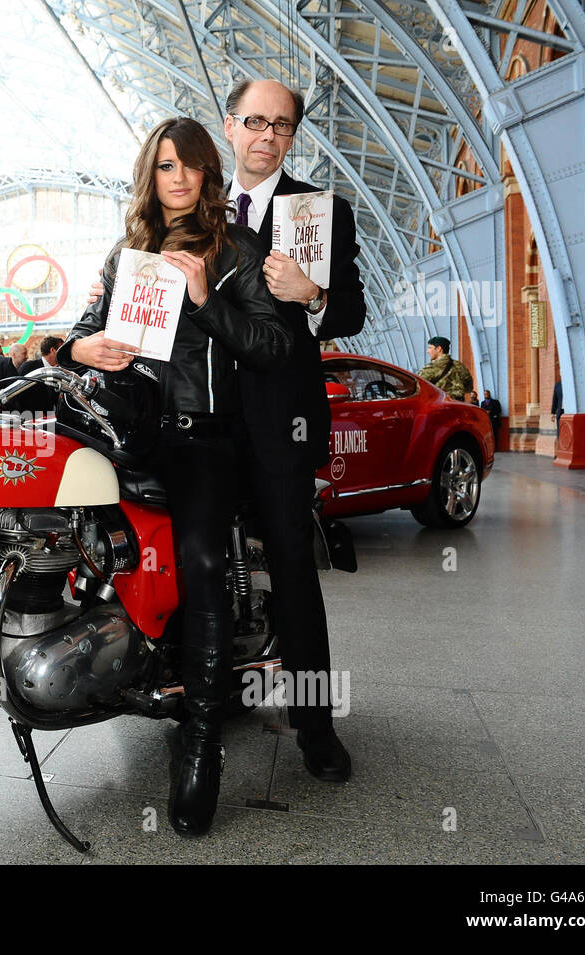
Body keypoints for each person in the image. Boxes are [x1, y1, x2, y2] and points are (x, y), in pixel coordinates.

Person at [58, 116, 290, 836]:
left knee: (201, 563)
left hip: (203, 438)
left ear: (207, 171)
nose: (178, 177)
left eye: (189, 164)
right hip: (128, 431)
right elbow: (83, 329)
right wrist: (78, 347)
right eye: (164, 166)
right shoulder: (126, 251)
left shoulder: (238, 249)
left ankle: (200, 742)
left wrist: (206, 303)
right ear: (149, 176)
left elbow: (273, 345)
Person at [223, 79, 366, 783]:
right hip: (205, 424)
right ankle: (204, 701)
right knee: (195, 559)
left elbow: (353, 312)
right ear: (229, 127)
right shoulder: (191, 210)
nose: (267, 135)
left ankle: (315, 726)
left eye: (281, 125)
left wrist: (311, 294)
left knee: (292, 569)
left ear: (291, 136)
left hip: (283, 419)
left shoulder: (320, 211)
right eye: (255, 120)